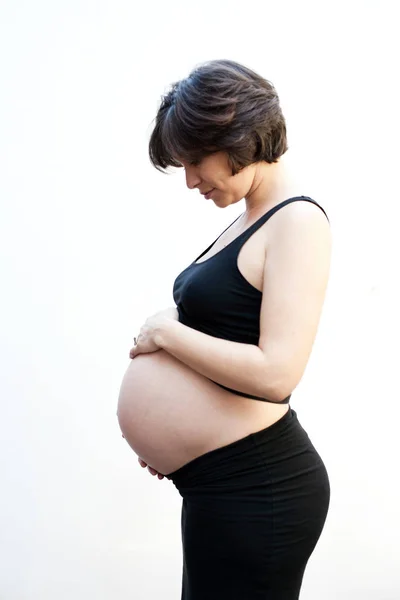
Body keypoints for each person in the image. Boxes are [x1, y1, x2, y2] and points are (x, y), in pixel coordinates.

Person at [120, 59, 332, 599]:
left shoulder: (298, 221)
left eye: (195, 162)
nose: (190, 181)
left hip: (260, 490)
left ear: (236, 132)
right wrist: (180, 445)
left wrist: (166, 335)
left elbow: (277, 373)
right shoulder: (250, 218)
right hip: (217, 484)